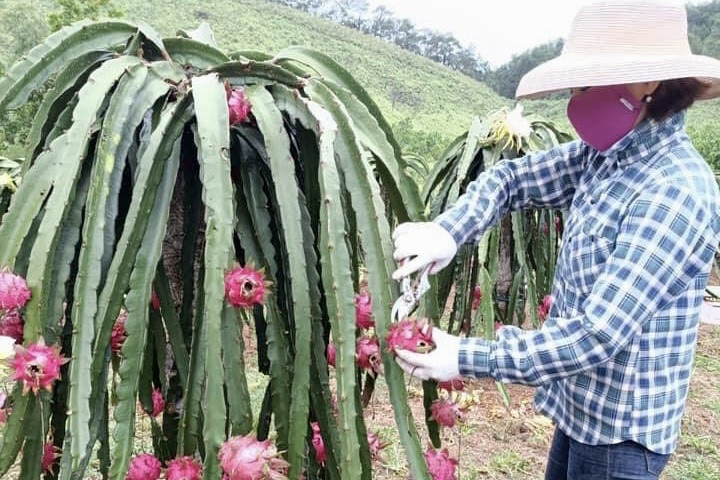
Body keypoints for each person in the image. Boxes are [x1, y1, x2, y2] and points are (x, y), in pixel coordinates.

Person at [390, 1, 720, 479]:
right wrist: (449, 230)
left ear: (649, 83)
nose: (577, 97)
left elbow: (596, 334)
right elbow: (511, 180)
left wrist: (464, 355)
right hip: (580, 407)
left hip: (620, 435)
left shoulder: (674, 192)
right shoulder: (605, 156)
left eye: (588, 84)